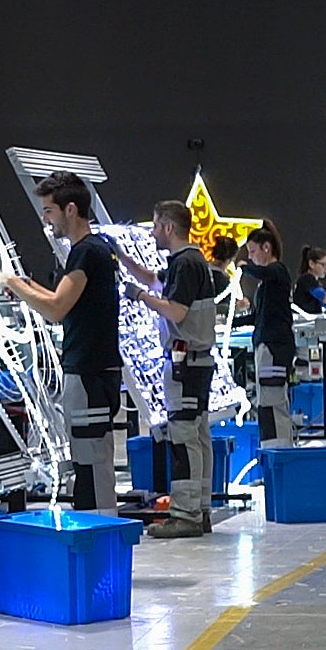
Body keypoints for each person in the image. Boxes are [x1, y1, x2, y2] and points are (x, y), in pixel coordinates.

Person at [0, 170, 122, 516]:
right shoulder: (98, 250)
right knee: (93, 460)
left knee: (90, 463)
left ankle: (97, 534)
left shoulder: (86, 253)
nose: (46, 219)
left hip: (87, 371)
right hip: (97, 370)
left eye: (49, 211)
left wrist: (12, 281)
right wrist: (28, 287)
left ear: (70, 209)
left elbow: (56, 309)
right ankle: (99, 530)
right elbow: (65, 300)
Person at [118, 201, 217, 538]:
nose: (152, 232)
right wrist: (122, 258)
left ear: (169, 227)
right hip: (195, 364)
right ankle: (199, 509)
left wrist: (139, 297)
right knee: (198, 436)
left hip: (186, 365)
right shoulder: (187, 262)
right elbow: (152, 279)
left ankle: (186, 516)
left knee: (184, 439)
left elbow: (175, 311)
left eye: (156, 225)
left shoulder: (186, 264)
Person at [235, 221, 295, 448]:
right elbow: (259, 315)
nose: (251, 257)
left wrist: (243, 267)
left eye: (252, 252)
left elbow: (262, 271)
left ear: (266, 248)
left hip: (274, 346)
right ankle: (272, 447)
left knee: (272, 400)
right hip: (267, 344)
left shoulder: (277, 272)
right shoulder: (267, 284)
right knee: (266, 400)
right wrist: (230, 322)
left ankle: (279, 448)